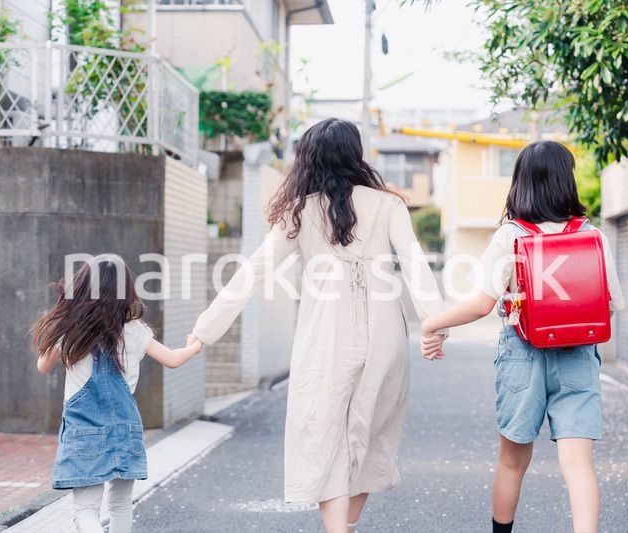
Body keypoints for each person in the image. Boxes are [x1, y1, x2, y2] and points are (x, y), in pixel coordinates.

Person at [189, 118, 446, 533]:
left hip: (324, 336)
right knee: (372, 432)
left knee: (322, 433)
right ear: (355, 154)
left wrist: (206, 329)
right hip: (385, 333)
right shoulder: (389, 205)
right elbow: (415, 266)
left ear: (308, 158)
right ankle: (344, 526)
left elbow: (252, 271)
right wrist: (435, 326)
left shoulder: (299, 211)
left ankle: (337, 529)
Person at [421, 141, 624, 533]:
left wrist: (433, 324)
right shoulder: (592, 235)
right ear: (567, 181)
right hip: (579, 354)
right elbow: (611, 302)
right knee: (578, 464)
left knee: (512, 462)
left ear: (520, 183)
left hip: (524, 354)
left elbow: (481, 304)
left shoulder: (510, 235)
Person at [30, 254, 203, 533]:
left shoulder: (71, 331)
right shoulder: (135, 331)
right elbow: (172, 359)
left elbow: (42, 366)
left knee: (86, 510)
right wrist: (195, 345)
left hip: (84, 431)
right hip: (125, 429)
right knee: (121, 504)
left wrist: (60, 328)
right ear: (126, 290)